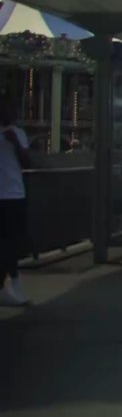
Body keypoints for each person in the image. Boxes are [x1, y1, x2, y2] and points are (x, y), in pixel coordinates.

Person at [0, 103, 32, 306]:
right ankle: (7, 285)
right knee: (7, 243)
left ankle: (13, 282)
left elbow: (26, 161)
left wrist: (16, 144)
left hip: (13, 194)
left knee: (13, 242)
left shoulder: (17, 133)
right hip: (8, 195)